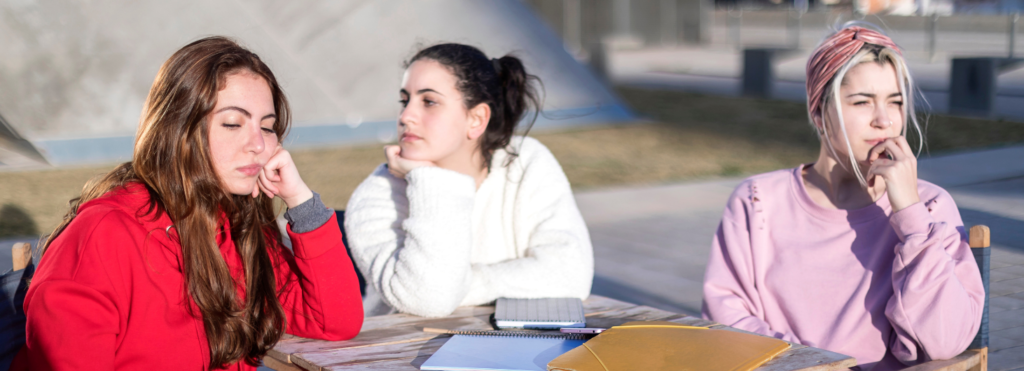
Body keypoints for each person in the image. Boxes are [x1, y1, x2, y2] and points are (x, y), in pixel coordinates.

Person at [11, 37, 363, 370]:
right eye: (232, 123)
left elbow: (334, 320)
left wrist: (301, 201)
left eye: (268, 127)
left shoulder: (235, 228)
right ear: (179, 130)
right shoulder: (104, 237)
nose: (258, 144)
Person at [702, 25, 985, 370]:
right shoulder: (758, 200)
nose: (884, 121)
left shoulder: (929, 206)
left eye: (895, 102)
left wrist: (910, 216)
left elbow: (944, 341)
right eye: (863, 102)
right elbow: (727, 316)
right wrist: (806, 364)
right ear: (819, 114)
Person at [345, 43, 593, 317]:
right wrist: (428, 180)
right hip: (402, 352)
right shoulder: (377, 194)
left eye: (429, 101)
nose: (405, 116)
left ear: (476, 119)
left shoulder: (525, 161)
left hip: (512, 346)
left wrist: (464, 282)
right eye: (405, 101)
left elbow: (571, 273)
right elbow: (429, 299)